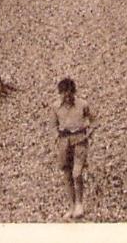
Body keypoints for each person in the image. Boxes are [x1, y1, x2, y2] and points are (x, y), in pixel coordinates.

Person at [50, 77, 96, 219]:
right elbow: (53, 125)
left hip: (80, 139)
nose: (67, 96)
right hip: (64, 141)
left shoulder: (82, 104)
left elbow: (94, 120)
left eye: (70, 92)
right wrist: (56, 137)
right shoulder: (56, 107)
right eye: (64, 93)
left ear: (73, 92)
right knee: (67, 174)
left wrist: (89, 134)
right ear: (60, 93)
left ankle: (79, 204)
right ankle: (71, 206)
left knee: (77, 173)